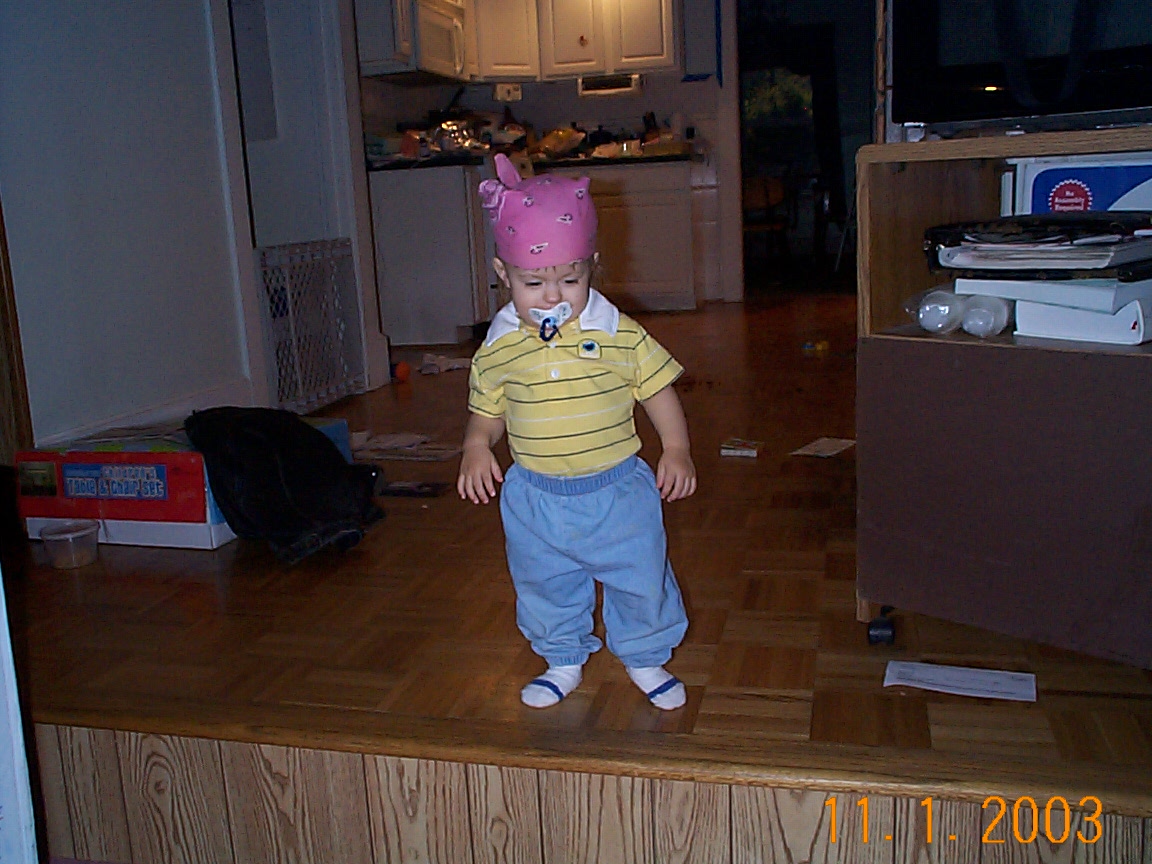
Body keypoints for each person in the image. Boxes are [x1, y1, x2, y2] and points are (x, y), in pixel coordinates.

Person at [457, 153, 697, 711]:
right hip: (535, 498)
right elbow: (488, 410)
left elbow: (657, 390)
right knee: (544, 583)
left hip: (617, 493)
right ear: (503, 275)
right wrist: (475, 444)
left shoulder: (620, 335)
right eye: (532, 282)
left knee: (641, 577)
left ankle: (645, 655)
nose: (552, 296)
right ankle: (561, 657)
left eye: (571, 280)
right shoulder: (498, 349)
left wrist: (677, 448)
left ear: (592, 267)